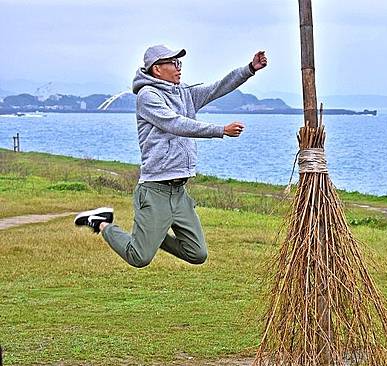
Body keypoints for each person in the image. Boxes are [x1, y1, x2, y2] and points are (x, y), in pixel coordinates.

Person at [74, 44, 268, 268]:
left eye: (179, 63)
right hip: (155, 189)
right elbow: (175, 124)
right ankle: (102, 224)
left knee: (197, 253)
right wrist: (220, 130)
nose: (179, 68)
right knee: (139, 257)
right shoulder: (147, 97)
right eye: (173, 63)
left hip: (179, 192)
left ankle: (150, 235)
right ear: (157, 69)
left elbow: (217, 88)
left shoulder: (184, 93)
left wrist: (249, 69)